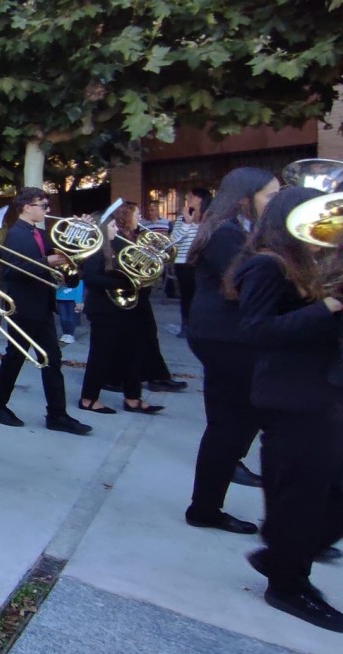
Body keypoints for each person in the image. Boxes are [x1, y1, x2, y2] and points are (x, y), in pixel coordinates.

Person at [231, 186, 343, 632]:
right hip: (294, 394)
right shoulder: (267, 264)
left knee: (322, 492)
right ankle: (288, 583)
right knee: (303, 493)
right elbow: (256, 329)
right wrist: (331, 305)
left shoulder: (309, 264)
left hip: (322, 390)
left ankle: (282, 551)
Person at [184, 167, 279, 535]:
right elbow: (249, 284)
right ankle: (209, 506)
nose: (277, 203)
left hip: (230, 337)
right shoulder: (226, 234)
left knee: (232, 427)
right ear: (244, 199)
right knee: (231, 426)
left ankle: (207, 505)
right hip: (228, 339)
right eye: (270, 196)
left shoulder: (241, 230)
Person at [0, 188, 91, 435]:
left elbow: (67, 255)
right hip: (23, 306)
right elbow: (11, 272)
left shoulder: (40, 232)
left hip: (42, 305)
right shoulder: (15, 234)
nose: (47, 210)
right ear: (26, 207)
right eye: (42, 205)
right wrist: (46, 263)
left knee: (51, 360)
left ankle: (57, 414)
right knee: (15, 357)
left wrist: (80, 233)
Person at [77, 207, 164, 415]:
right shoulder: (97, 249)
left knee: (133, 353)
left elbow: (135, 269)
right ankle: (88, 398)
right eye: (113, 225)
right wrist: (123, 283)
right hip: (103, 310)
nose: (117, 228)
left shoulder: (120, 244)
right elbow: (89, 277)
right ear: (102, 228)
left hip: (125, 309)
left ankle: (133, 398)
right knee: (101, 355)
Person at [171, 188, 211, 337]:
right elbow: (173, 240)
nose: (187, 198)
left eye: (191, 196)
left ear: (200, 198)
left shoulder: (209, 218)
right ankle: (186, 325)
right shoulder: (182, 217)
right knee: (186, 295)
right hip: (183, 262)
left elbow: (208, 237)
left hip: (202, 262)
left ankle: (202, 325)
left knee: (203, 295)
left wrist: (195, 225)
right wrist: (187, 224)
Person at [56, 279, 83, 345]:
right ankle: (65, 333)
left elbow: (79, 289)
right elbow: (56, 287)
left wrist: (78, 302)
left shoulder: (76, 277)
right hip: (60, 299)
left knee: (71, 318)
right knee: (63, 318)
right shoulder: (60, 276)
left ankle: (70, 334)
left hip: (72, 300)